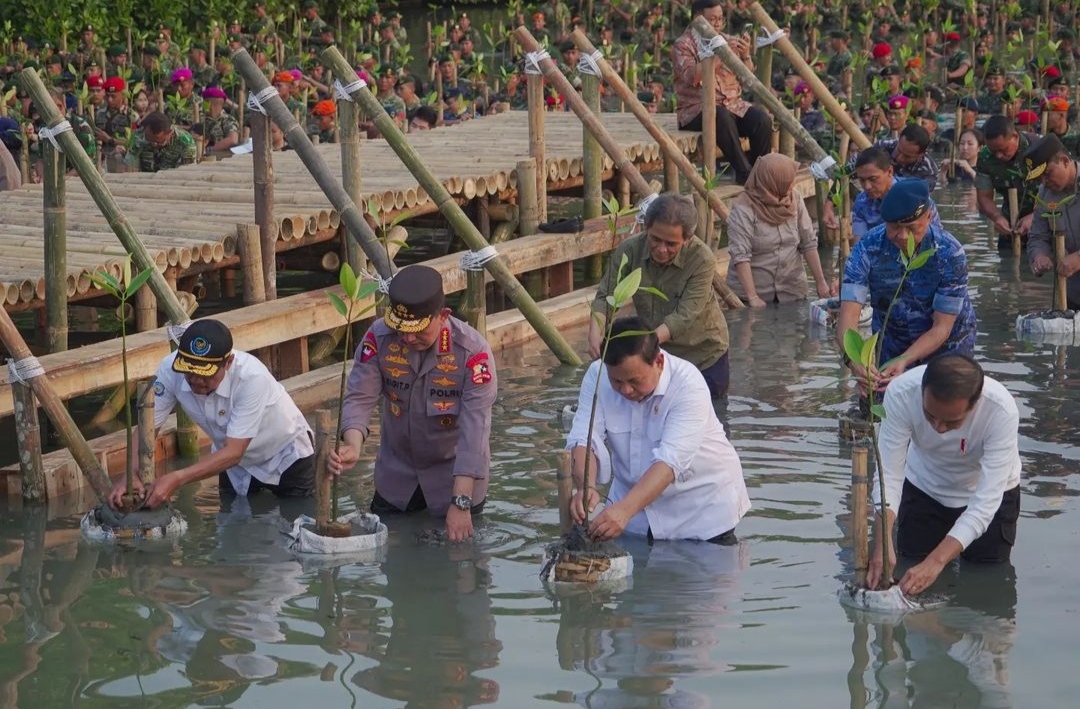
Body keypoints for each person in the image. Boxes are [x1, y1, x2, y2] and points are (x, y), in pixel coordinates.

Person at [328, 265, 497, 542]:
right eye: (400, 329)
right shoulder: (379, 338)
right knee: (393, 566)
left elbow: (475, 432)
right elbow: (360, 396)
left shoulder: (472, 354)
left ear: (442, 316)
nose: (407, 338)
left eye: (418, 330)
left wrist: (461, 502)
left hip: (454, 479)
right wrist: (353, 445)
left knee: (460, 567)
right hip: (397, 476)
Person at [567, 317, 751, 543]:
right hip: (633, 517)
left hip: (701, 513)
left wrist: (624, 510)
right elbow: (584, 438)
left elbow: (670, 462)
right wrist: (586, 486)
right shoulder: (597, 376)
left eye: (635, 381)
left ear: (659, 362)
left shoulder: (687, 383)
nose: (625, 390)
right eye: (616, 381)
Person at [107, 319, 316, 510]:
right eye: (189, 371)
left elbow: (235, 451)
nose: (196, 380)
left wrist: (176, 478)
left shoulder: (252, 378)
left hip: (284, 456)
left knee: (295, 527)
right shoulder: (169, 370)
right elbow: (147, 428)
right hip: (231, 462)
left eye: (206, 373)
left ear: (228, 362)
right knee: (231, 532)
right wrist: (130, 473)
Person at [866, 354, 1021, 595]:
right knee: (911, 577)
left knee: (985, 586)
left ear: (974, 405)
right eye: (930, 416)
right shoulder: (901, 393)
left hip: (988, 495)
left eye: (951, 421)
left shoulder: (1000, 411)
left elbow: (985, 505)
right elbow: (889, 474)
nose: (938, 428)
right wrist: (883, 540)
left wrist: (936, 561)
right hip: (925, 487)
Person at [587, 193, 731, 398]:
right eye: (655, 239)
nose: (661, 250)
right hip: (653, 356)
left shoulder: (701, 259)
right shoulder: (630, 249)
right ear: (646, 228)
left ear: (687, 239)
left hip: (702, 355)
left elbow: (683, 317)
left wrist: (640, 349)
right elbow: (606, 297)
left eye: (671, 244)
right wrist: (596, 331)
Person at [837, 179, 978, 389]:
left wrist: (905, 359)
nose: (902, 236)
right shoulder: (867, 248)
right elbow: (848, 316)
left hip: (948, 344)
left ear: (929, 216)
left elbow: (941, 327)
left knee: (944, 404)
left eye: (911, 228)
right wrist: (854, 360)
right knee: (880, 404)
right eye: (894, 227)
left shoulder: (950, 253)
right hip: (892, 338)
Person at [672, 0, 771, 185]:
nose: (717, 24)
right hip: (695, 111)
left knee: (762, 119)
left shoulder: (726, 38)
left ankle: (761, 174)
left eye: (720, 19)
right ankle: (745, 174)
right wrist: (722, 54)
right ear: (697, 19)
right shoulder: (682, 45)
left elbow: (746, 76)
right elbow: (691, 76)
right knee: (720, 115)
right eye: (712, 19)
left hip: (733, 105)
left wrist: (745, 54)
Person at [726, 154, 831, 305]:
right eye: (787, 182)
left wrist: (821, 282)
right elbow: (740, 256)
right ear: (772, 182)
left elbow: (808, 243)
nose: (791, 186)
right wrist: (753, 297)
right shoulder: (744, 208)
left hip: (792, 290)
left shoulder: (794, 198)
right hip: (752, 295)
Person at [1024, 133, 1080, 310]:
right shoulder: (1045, 194)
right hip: (1071, 295)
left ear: (1064, 161)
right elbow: (1037, 236)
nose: (1044, 182)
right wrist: (1039, 256)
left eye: (1047, 174)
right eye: (1039, 178)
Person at [975, 114, 1039, 248]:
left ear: (1015, 137)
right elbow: (984, 196)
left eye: (1003, 150)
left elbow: (1061, 189)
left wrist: (1036, 216)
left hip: (1046, 220)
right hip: (1010, 223)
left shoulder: (1039, 147)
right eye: (994, 151)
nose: (998, 155)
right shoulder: (985, 158)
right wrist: (997, 217)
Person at [123, 111, 196, 172]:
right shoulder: (139, 135)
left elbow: (187, 171)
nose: (154, 144)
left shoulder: (186, 141)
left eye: (158, 141)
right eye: (149, 140)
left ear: (169, 133)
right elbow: (131, 166)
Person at [874, 123, 939, 191]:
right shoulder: (882, 147)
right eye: (898, 150)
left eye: (907, 156)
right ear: (898, 139)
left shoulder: (928, 170)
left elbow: (920, 195)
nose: (900, 158)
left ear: (921, 155)